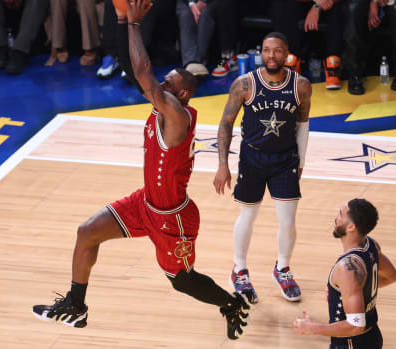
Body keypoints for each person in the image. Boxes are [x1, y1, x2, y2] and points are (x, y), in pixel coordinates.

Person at [33, 0, 250, 340]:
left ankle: (230, 303)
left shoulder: (176, 115)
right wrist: (121, 20)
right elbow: (135, 69)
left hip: (172, 217)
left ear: (180, 93)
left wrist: (134, 25)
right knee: (87, 232)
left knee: (182, 281)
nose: (159, 83)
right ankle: (76, 305)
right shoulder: (163, 105)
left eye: (167, 81)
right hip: (146, 203)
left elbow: (144, 69)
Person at [213, 32, 311, 305]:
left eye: (277, 51)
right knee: (247, 217)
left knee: (288, 222)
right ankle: (239, 270)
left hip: (285, 160)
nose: (271, 56)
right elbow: (226, 123)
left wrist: (301, 161)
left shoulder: (301, 85)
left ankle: (282, 269)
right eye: (267, 50)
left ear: (286, 54)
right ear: (261, 53)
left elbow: (303, 124)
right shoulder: (244, 83)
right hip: (252, 158)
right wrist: (223, 165)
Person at [293, 198, 396, 349]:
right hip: (373, 336)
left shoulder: (347, 269)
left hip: (351, 344)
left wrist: (311, 327)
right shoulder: (371, 245)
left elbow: (356, 326)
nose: (336, 218)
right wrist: (348, 290)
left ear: (351, 227)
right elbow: (391, 276)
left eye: (340, 215)